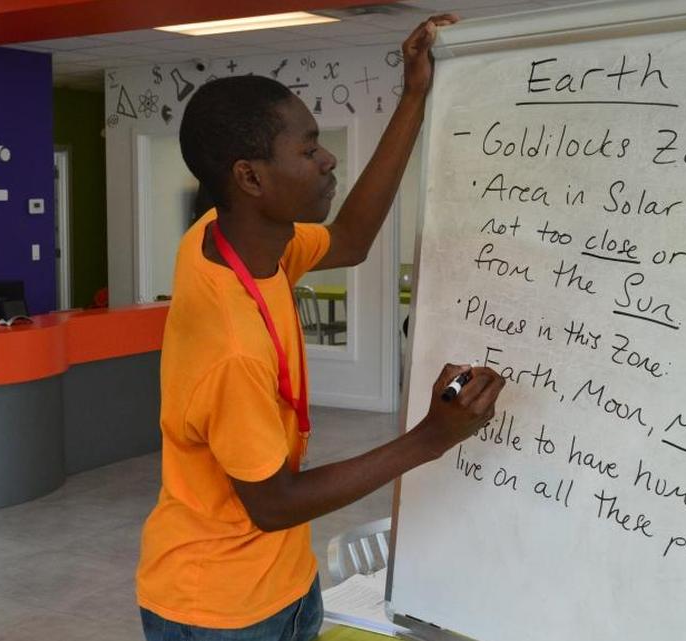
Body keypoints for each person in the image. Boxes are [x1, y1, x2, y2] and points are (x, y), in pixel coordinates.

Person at [137, 15, 506, 641]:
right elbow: (273, 502)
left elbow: (352, 238)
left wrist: (412, 97)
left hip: (282, 579)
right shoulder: (232, 347)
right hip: (220, 609)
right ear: (250, 177)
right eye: (308, 149)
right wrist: (430, 439)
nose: (328, 157)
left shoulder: (232, 239)